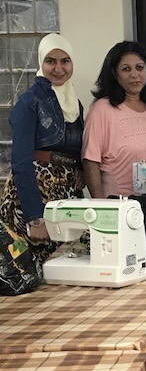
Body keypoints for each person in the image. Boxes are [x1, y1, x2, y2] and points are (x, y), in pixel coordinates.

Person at [0, 33, 84, 264]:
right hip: (35, 196)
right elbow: (20, 163)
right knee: (34, 269)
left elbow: (75, 147)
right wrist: (34, 216)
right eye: (50, 61)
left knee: (67, 266)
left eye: (65, 61)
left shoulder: (74, 103)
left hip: (64, 194)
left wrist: (80, 169)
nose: (58, 68)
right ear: (41, 63)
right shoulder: (30, 102)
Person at [82, 41, 146, 198]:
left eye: (139, 67)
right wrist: (101, 205)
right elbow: (90, 161)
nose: (134, 74)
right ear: (115, 74)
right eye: (126, 69)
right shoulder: (102, 109)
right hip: (118, 204)